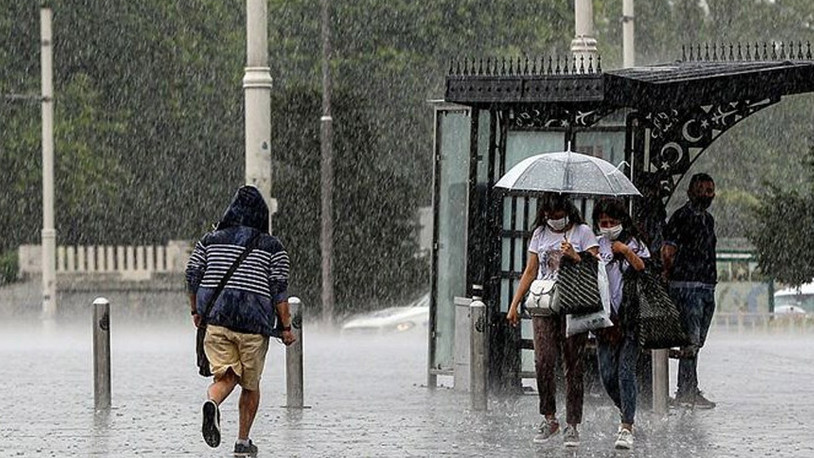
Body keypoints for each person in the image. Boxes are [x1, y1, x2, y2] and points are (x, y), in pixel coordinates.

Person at [185, 185, 296, 456]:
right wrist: (286, 328)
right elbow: (279, 291)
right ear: (263, 216)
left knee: (227, 375)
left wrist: (196, 311)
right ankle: (243, 442)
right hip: (254, 326)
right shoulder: (273, 247)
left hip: (217, 320)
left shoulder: (209, 241)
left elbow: (192, 276)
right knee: (250, 384)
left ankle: (212, 401)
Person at [507, 193, 599, 448]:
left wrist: (575, 255)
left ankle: (572, 423)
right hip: (545, 303)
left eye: (558, 216)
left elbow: (595, 266)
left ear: (567, 211)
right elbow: (531, 270)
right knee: (543, 360)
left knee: (573, 364)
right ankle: (549, 417)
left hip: (573, 303)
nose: (554, 220)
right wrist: (515, 303)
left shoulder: (582, 232)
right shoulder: (539, 233)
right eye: (549, 216)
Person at [592, 198, 649, 450]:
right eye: (603, 222)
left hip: (631, 318)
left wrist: (625, 250)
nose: (607, 226)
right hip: (605, 320)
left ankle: (627, 425)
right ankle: (626, 408)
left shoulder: (634, 242)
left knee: (625, 370)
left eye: (612, 222)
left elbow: (643, 267)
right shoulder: (595, 244)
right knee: (607, 374)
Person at [661, 173, 717, 409]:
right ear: (690, 192)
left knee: (698, 340)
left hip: (706, 286)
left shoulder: (708, 219)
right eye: (702, 189)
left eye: (710, 190)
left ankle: (688, 387)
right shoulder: (681, 218)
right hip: (686, 286)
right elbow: (668, 251)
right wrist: (670, 274)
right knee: (690, 340)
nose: (707, 194)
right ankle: (686, 390)